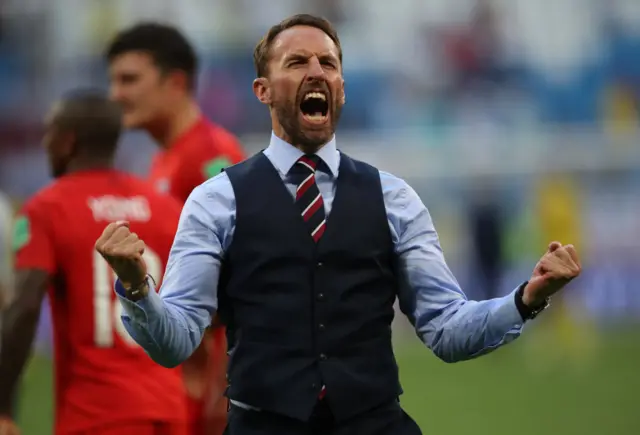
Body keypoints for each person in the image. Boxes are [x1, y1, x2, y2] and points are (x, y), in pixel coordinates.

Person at [95, 14, 582, 435]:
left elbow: (447, 330)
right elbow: (176, 341)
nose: (316, 72)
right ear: (262, 92)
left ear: (342, 89)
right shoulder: (215, 202)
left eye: (328, 64)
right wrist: (137, 288)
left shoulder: (395, 200)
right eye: (297, 62)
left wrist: (525, 300)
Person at [0, 92, 189, 435]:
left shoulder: (48, 209)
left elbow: (24, 308)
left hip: (96, 415)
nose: (44, 142)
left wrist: (3, 407)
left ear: (68, 140)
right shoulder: (165, 209)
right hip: (169, 410)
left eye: (49, 132)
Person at [105, 23, 246, 435]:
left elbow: (242, 275)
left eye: (129, 79)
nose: (116, 94)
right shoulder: (163, 161)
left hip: (209, 389)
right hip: (177, 376)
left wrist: (223, 383)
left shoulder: (211, 156)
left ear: (176, 82)